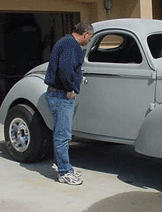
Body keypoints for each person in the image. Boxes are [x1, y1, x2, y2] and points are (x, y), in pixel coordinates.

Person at [44, 21, 94, 185]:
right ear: (85, 34)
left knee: (60, 133)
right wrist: (70, 89)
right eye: (90, 37)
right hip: (61, 96)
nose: (90, 40)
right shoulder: (70, 45)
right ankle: (64, 172)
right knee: (63, 136)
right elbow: (65, 70)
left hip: (56, 94)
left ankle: (63, 165)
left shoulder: (65, 42)